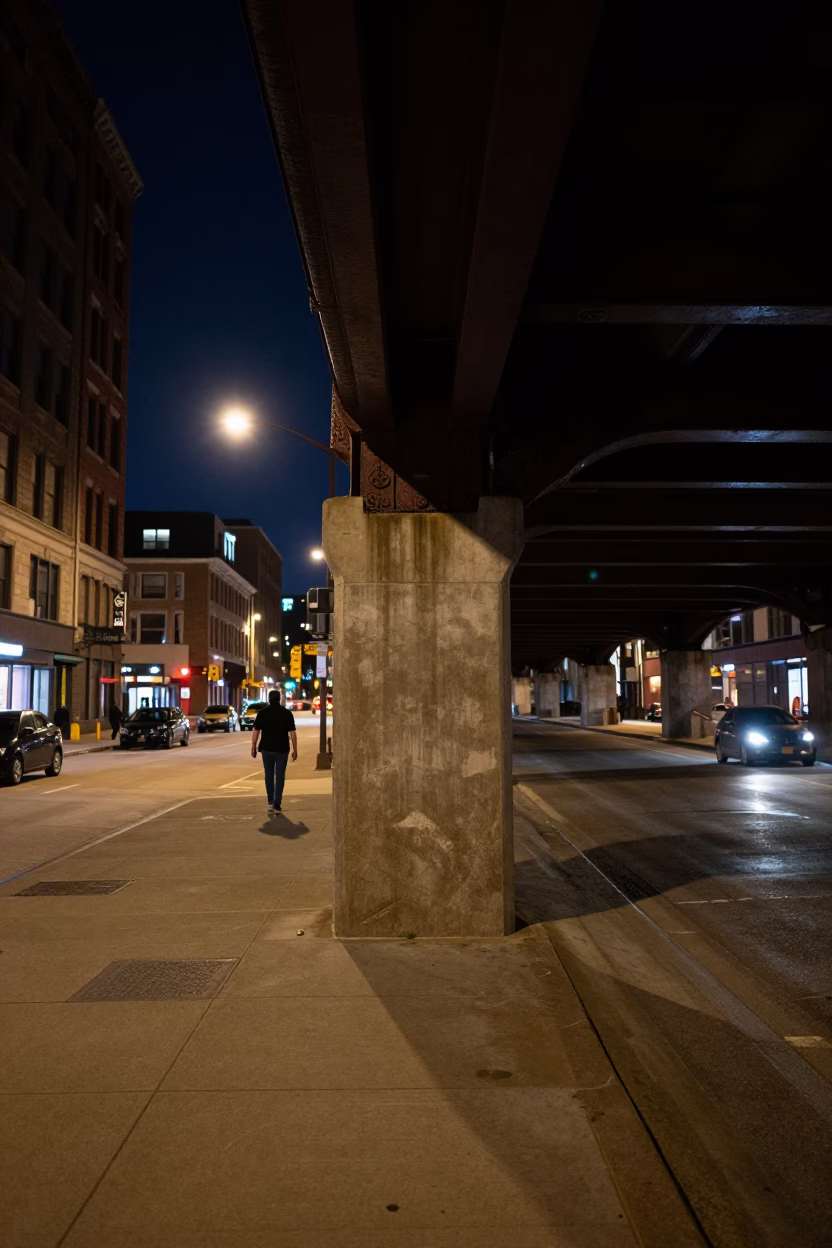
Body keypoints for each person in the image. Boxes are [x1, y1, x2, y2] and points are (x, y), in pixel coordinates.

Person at [251, 688, 297, 813]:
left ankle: (270, 802)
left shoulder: (262, 713)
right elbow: (293, 733)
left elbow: (256, 731)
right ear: (279, 699)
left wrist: (253, 746)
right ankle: (277, 803)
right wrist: (295, 749)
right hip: (282, 749)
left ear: (269, 699)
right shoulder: (287, 713)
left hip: (266, 749)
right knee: (280, 776)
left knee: (269, 775)